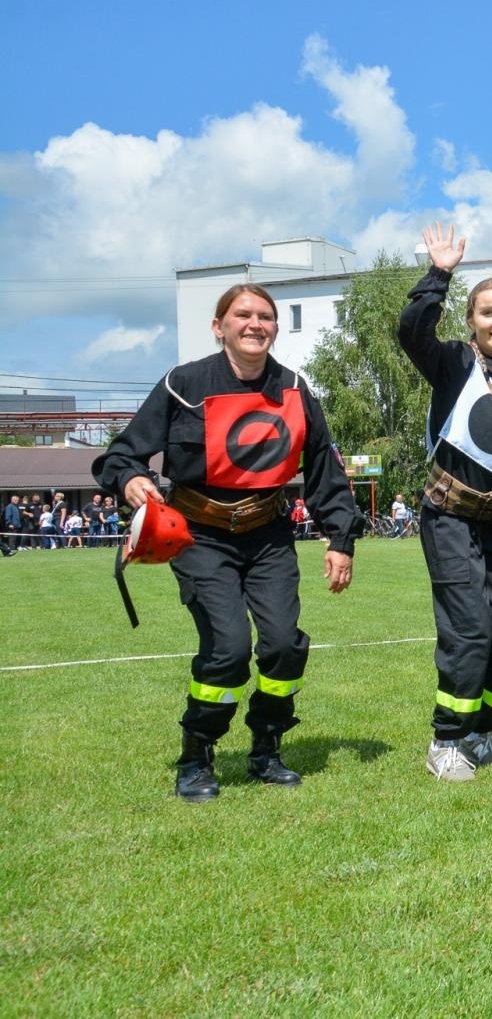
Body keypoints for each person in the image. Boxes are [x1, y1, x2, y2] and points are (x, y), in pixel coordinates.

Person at [93, 282, 358, 801]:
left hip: (269, 536)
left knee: (283, 645)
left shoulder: (295, 388)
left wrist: (340, 539)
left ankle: (267, 747)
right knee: (229, 648)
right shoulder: (183, 384)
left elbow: (325, 468)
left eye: (266, 316)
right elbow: (121, 454)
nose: (256, 324)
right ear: (219, 327)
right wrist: (131, 480)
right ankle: (197, 755)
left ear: (275, 328)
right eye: (243, 315)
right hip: (200, 537)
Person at [399, 222, 492, 780]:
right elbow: (412, 331)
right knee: (468, 632)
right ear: (471, 320)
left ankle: (482, 731)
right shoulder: (454, 362)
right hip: (450, 517)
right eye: (487, 313)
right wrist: (438, 275)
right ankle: (446, 738)